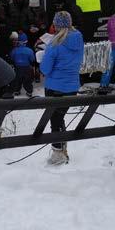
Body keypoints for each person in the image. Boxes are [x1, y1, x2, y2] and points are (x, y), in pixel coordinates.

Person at [39, 11, 84, 165]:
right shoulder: (78, 38)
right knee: (60, 117)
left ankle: (58, 153)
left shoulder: (54, 43)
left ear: (56, 25)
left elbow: (45, 69)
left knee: (55, 120)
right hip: (72, 87)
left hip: (54, 86)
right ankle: (63, 148)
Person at [11, 32, 35, 97]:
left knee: (17, 80)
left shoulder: (14, 50)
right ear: (26, 41)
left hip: (17, 68)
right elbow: (32, 59)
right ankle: (29, 91)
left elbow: (12, 58)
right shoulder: (29, 50)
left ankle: (16, 91)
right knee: (27, 80)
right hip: (27, 67)